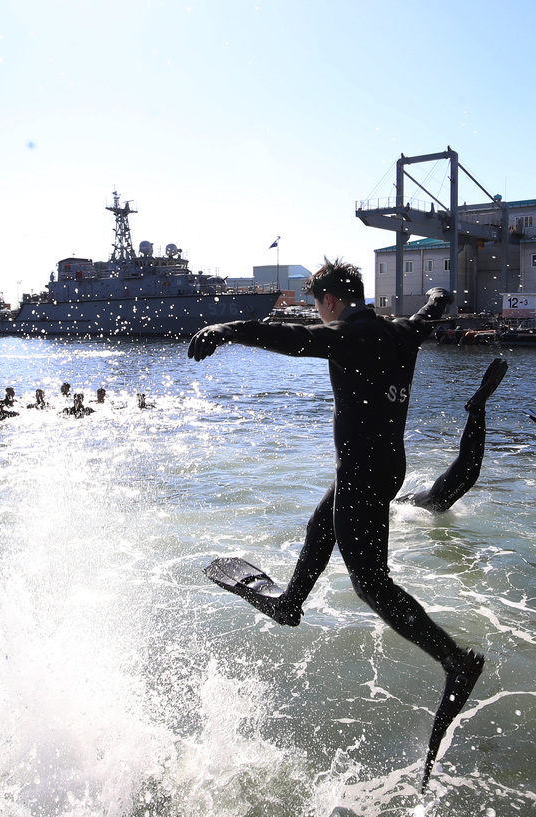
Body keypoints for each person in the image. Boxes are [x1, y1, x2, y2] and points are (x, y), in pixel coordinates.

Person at [189, 259, 483, 784]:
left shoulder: (349, 335)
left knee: (371, 584)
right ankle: (290, 603)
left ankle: (455, 661)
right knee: (320, 526)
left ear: (329, 300)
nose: (320, 317)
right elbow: (431, 312)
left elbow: (290, 338)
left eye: (319, 306)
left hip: (364, 471)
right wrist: (440, 294)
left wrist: (225, 330)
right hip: (385, 464)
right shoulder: (400, 332)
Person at [397, 358, 508, 511]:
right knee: (475, 461)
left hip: (436, 497)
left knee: (468, 460)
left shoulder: (399, 508)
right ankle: (479, 410)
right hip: (441, 497)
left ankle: (475, 411)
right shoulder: (403, 505)